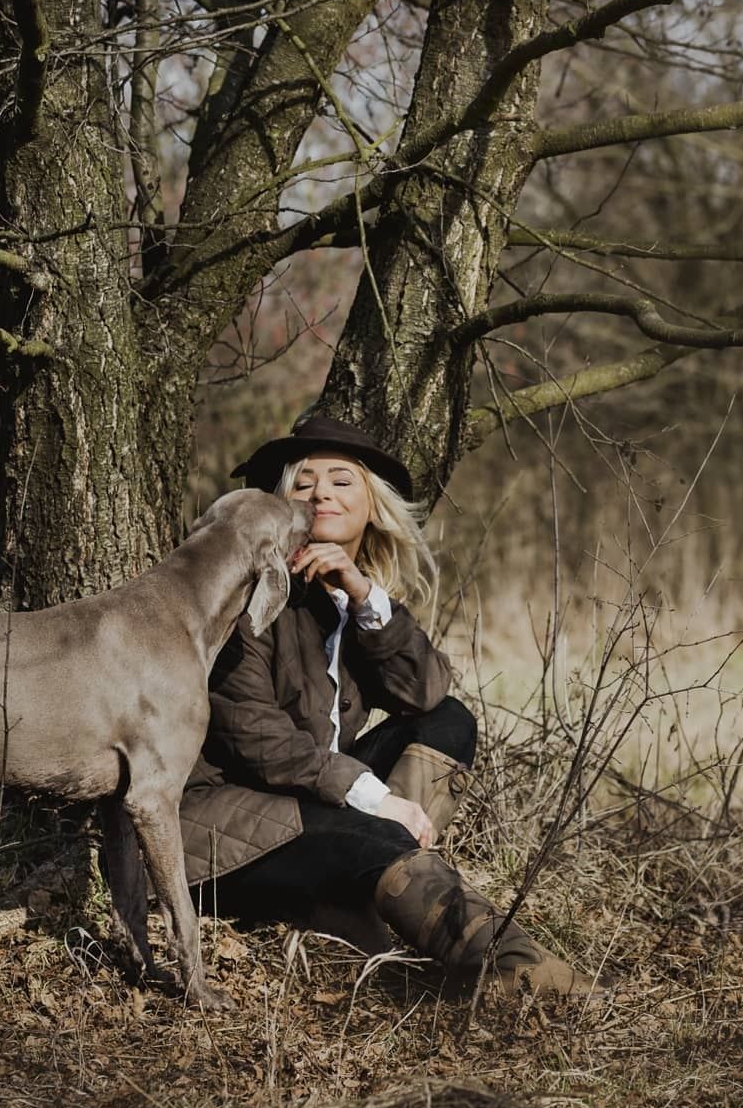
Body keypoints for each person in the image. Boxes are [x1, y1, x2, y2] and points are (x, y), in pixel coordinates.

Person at [178, 414, 601, 998]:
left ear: (372, 505)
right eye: (303, 482)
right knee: (372, 836)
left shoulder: (347, 596)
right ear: (282, 505)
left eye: (341, 480)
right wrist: (376, 801)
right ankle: (517, 975)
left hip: (310, 805)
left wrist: (364, 596)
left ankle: (351, 909)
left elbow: (423, 691)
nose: (321, 492)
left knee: (448, 720)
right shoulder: (247, 591)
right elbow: (251, 736)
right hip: (221, 830)